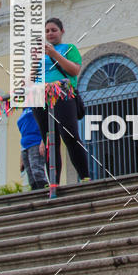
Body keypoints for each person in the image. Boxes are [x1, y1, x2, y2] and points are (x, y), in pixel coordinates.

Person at [32, 17, 90, 184]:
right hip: (41, 98)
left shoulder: (69, 48)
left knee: (69, 135)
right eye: (47, 31)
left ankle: (85, 176)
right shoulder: (40, 54)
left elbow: (74, 69)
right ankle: (54, 182)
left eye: (53, 30)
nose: (50, 33)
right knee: (50, 139)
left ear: (61, 31)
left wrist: (54, 54)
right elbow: (31, 79)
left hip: (63, 94)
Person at [18, 107, 47, 190]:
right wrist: (21, 156)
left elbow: (44, 123)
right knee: (30, 174)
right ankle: (36, 193)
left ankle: (44, 192)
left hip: (36, 142)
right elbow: (23, 133)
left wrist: (43, 140)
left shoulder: (37, 107)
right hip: (25, 146)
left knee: (37, 170)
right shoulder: (23, 111)